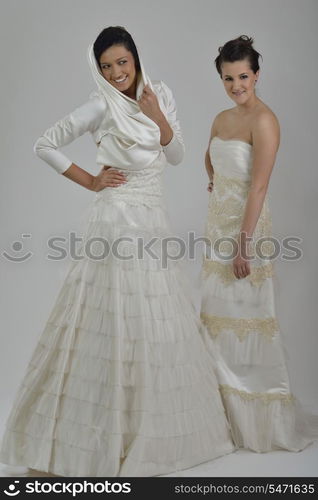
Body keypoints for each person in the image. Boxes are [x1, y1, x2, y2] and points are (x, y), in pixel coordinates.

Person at [0, 26, 235, 477]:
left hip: (151, 218)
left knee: (152, 320)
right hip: (114, 221)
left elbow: (179, 154)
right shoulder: (98, 104)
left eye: (122, 63)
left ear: (135, 58)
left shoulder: (159, 93)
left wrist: (157, 116)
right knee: (109, 319)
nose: (115, 73)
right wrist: (90, 180)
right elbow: (44, 144)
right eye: (106, 67)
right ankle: (87, 439)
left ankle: (141, 425)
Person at [200, 35, 318, 452]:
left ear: (257, 74)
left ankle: (259, 424)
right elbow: (210, 158)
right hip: (218, 230)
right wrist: (215, 182)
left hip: (245, 234)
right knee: (215, 319)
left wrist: (243, 245)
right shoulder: (220, 118)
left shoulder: (265, 120)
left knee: (247, 321)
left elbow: (260, 185)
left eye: (243, 76)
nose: (236, 86)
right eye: (228, 78)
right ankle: (222, 423)